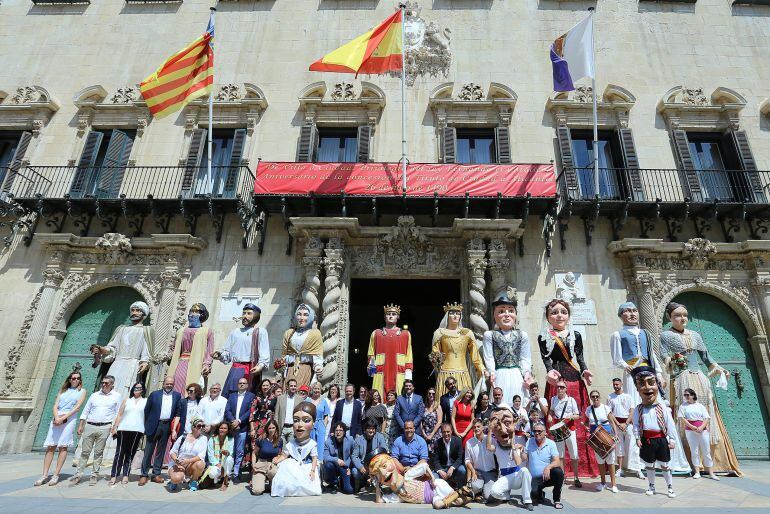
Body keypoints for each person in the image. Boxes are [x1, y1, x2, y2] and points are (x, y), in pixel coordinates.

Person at [661, 301, 741, 475]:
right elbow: (663, 356)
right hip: (681, 379)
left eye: (684, 315)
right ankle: (690, 463)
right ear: (669, 317)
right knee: (685, 414)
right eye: (677, 315)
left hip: (700, 378)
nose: (682, 318)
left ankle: (715, 463)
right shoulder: (666, 336)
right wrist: (672, 361)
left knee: (706, 412)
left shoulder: (695, 335)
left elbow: (706, 356)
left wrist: (718, 368)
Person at [539, 299, 597, 478]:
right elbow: (546, 359)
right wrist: (549, 371)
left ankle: (583, 467)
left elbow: (579, 357)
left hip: (574, 380)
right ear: (548, 317)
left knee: (577, 419)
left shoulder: (575, 334)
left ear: (568, 315)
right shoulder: (544, 335)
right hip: (556, 380)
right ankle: (557, 465)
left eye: (563, 312)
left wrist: (585, 369)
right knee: (555, 417)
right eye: (554, 312)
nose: (559, 315)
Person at [89, 302, 153, 400]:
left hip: (132, 366)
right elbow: (112, 348)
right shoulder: (122, 329)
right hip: (117, 364)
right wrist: (101, 349)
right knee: (109, 388)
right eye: (133, 310)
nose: (134, 313)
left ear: (144, 314)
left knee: (126, 392)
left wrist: (145, 362)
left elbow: (146, 352)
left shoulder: (146, 330)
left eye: (138, 311)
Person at [369, 449, 473, 508]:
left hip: (435, 486)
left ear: (392, 462)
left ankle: (463, 492)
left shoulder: (408, 476)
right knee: (440, 505)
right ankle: (464, 493)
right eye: (379, 473)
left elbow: (424, 466)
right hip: (432, 498)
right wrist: (377, 483)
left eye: (384, 466)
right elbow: (379, 500)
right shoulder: (398, 496)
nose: (384, 474)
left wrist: (432, 479)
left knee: (453, 500)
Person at [631, 366, 678, 498]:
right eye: (642, 384)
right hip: (646, 440)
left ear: (657, 385)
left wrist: (672, 439)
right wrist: (637, 438)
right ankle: (651, 486)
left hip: (661, 439)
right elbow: (635, 425)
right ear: (637, 389)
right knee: (649, 465)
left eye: (651, 383)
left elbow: (670, 424)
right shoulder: (638, 409)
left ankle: (670, 487)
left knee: (665, 465)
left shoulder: (662, 407)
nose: (647, 388)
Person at [35, 370, 87, 487]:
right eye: (73, 378)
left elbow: (77, 407)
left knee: (63, 447)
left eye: (78, 378)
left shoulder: (82, 391)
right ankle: (44, 475)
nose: (76, 380)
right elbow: (55, 405)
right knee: (51, 447)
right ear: (69, 379)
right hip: (57, 418)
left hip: (69, 419)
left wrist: (64, 417)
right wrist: (57, 417)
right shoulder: (62, 390)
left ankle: (56, 475)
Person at [483, 292, 533, 406]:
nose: (506, 315)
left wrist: (526, 373)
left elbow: (525, 357)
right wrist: (491, 372)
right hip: (500, 374)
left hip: (517, 375)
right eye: (501, 311)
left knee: (518, 404)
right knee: (501, 404)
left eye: (510, 311)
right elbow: (489, 357)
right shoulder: (489, 335)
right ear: (495, 315)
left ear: (515, 314)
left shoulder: (522, 335)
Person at [71, 375, 122, 486]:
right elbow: (86, 410)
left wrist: (114, 427)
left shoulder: (117, 396)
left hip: (105, 426)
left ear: (112, 384)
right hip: (90, 425)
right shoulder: (94, 395)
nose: (104, 384)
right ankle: (78, 474)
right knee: (85, 452)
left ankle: (94, 475)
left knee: (98, 452)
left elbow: (118, 413)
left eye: (106, 383)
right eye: (102, 382)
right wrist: (81, 424)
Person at [214, 303, 270, 398]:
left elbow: (264, 352)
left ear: (256, 316)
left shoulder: (260, 332)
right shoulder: (235, 332)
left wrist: (260, 365)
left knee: (248, 398)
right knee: (231, 397)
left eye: (249, 313)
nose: (245, 316)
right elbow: (227, 354)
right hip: (235, 369)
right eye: (244, 313)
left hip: (250, 369)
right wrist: (220, 355)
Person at [432, 303, 486, 399]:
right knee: (445, 403)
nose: (455, 315)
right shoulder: (439, 333)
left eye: (458, 313)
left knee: (464, 402)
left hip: (463, 374)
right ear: (447, 316)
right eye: (452, 313)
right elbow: (435, 356)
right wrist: (437, 362)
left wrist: (481, 368)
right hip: (445, 374)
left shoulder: (467, 333)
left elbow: (475, 355)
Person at [486, 406, 533, 510]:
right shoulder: (497, 446)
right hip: (504, 477)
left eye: (507, 423)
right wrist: (489, 430)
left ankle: (527, 500)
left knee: (525, 470)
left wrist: (513, 448)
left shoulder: (517, 446)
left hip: (516, 477)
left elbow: (518, 462)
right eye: (498, 425)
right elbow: (488, 447)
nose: (503, 429)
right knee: (494, 492)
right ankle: (505, 496)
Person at [139, 376, 183, 486]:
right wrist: (147, 424)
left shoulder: (177, 396)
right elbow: (147, 410)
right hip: (154, 425)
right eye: (167, 383)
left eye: (171, 384)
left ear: (174, 384)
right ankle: (144, 474)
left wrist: (173, 429)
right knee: (148, 451)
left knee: (161, 451)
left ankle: (156, 474)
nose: (169, 385)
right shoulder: (155, 394)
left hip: (166, 425)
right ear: (163, 384)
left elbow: (178, 412)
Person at [270, 402, 321, 497]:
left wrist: (313, 470)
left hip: (307, 465)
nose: (299, 425)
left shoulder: (312, 444)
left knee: (306, 483)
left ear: (313, 423)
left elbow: (314, 458)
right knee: (285, 469)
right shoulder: (291, 443)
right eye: (296, 420)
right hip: (294, 466)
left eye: (306, 420)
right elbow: (284, 456)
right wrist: (277, 460)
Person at [367, 304, 413, 399]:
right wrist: (371, 371)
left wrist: (408, 376)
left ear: (398, 317)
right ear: (384, 317)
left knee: (399, 400)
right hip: (380, 374)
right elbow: (371, 354)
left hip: (399, 374)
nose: (391, 315)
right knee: (378, 400)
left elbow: (409, 355)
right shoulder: (376, 333)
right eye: (388, 314)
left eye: (394, 314)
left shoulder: (405, 334)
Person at [167, 303, 214, 395]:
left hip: (197, 364)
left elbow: (210, 352)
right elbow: (173, 348)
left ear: (202, 315)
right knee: (176, 384)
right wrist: (167, 356)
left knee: (192, 388)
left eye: (196, 311)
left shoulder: (207, 331)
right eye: (191, 311)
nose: (192, 314)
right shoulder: (180, 331)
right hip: (180, 363)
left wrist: (207, 365)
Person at [110, 382, 147, 485]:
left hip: (137, 430)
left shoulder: (145, 401)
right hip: (123, 429)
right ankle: (114, 475)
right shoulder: (127, 400)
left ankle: (126, 474)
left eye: (139, 388)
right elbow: (120, 414)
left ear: (143, 389)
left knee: (130, 453)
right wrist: (115, 427)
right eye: (135, 387)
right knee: (119, 453)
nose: (137, 389)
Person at [678, 388, 719, 480]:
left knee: (706, 451)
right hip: (690, 430)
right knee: (694, 451)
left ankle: (711, 473)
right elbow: (682, 418)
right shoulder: (683, 406)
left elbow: (706, 418)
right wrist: (692, 427)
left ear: (693, 395)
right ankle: (697, 472)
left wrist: (701, 427)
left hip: (702, 430)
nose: (686, 397)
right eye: (685, 395)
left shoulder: (700, 406)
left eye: (688, 395)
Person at [280, 303, 323, 389]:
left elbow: (317, 355)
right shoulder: (289, 333)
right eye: (299, 314)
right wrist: (281, 364)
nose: (301, 318)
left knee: (301, 394)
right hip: (290, 369)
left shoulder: (315, 334)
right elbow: (284, 354)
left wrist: (318, 366)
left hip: (305, 369)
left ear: (310, 317)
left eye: (305, 315)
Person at [548, 380, 581, 487]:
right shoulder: (553, 399)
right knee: (560, 455)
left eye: (562, 387)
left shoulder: (571, 400)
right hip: (558, 430)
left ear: (566, 389)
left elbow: (577, 415)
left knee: (574, 454)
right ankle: (562, 476)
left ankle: (576, 477)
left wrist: (570, 417)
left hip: (570, 428)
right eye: (558, 387)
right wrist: (549, 415)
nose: (559, 389)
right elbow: (552, 411)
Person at [525, 421, 564, 509]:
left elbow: (557, 461)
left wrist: (548, 467)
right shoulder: (529, 441)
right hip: (534, 478)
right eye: (534, 431)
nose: (536, 433)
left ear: (545, 432)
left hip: (547, 476)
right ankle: (539, 494)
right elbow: (524, 457)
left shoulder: (551, 443)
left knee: (559, 472)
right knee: (534, 495)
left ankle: (557, 500)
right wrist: (519, 450)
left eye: (539, 431)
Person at [585, 390, 619, 493]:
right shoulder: (588, 409)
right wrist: (587, 427)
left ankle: (613, 484)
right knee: (600, 461)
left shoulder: (605, 407)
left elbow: (612, 422)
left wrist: (615, 434)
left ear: (599, 397)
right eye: (593, 396)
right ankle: (603, 483)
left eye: (597, 396)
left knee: (610, 460)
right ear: (591, 398)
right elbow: (587, 422)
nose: (595, 398)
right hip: (595, 437)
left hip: (606, 435)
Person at [607, 377, 640, 478]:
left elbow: (632, 411)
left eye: (617, 384)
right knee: (619, 447)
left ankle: (637, 469)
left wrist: (626, 423)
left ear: (621, 384)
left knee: (633, 446)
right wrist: (617, 424)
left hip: (628, 424)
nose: (616, 386)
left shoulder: (628, 396)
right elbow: (610, 412)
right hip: (616, 425)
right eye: (614, 384)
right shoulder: (610, 397)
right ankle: (620, 469)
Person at [225, 377, 256, 482]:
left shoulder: (251, 396)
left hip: (242, 428)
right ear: (237, 385)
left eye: (244, 383)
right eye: (240, 383)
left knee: (239, 451)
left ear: (247, 385)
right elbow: (227, 410)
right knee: (230, 450)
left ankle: (236, 473)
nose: (242, 385)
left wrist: (239, 421)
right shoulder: (232, 396)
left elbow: (249, 411)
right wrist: (233, 421)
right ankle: (227, 473)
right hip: (232, 428)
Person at [168, 416, 208, 491]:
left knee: (200, 464)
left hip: (191, 464)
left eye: (203, 426)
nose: (201, 428)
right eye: (199, 426)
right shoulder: (183, 437)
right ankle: (174, 481)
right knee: (176, 479)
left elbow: (201, 455)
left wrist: (187, 461)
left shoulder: (203, 438)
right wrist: (176, 460)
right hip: (178, 463)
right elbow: (172, 452)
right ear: (193, 427)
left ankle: (193, 481)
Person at [351, 419, 387, 492]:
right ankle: (363, 482)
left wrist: (375, 468)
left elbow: (383, 451)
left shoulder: (380, 437)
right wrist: (360, 467)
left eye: (373, 429)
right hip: (364, 465)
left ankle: (377, 484)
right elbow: (354, 456)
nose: (371, 431)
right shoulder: (359, 440)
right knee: (355, 471)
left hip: (376, 464)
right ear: (365, 429)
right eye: (369, 429)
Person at [464, 419, 496, 501]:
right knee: (474, 487)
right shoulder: (469, 442)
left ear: (482, 427)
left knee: (489, 497)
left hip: (490, 472)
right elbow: (467, 460)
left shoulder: (490, 439)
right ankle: (479, 490)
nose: (476, 429)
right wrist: (473, 471)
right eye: (474, 427)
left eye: (478, 426)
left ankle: (483, 491)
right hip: (478, 473)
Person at [251, 419, 282, 495]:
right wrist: (253, 464)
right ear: (267, 429)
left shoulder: (279, 440)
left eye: (273, 428)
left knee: (275, 489)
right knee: (257, 491)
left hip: (272, 465)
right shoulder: (261, 439)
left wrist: (276, 459)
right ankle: (259, 480)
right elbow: (254, 453)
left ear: (276, 428)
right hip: (261, 463)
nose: (271, 430)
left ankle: (271, 482)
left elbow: (280, 454)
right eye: (270, 428)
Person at [323, 421, 355, 494]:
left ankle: (342, 481)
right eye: (336, 430)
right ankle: (334, 483)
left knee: (349, 491)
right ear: (334, 432)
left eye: (340, 430)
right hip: (334, 466)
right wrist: (336, 459)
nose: (338, 432)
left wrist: (350, 467)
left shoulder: (350, 440)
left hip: (345, 467)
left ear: (344, 432)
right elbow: (325, 457)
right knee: (328, 465)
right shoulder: (328, 442)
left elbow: (354, 455)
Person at [201, 421, 234, 490]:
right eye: (221, 428)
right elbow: (210, 455)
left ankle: (225, 482)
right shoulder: (212, 439)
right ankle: (214, 480)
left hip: (225, 462)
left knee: (230, 459)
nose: (222, 430)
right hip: (216, 463)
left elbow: (230, 452)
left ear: (228, 430)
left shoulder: (230, 439)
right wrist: (217, 464)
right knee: (212, 473)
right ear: (218, 429)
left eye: (225, 428)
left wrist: (226, 452)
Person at [431, 423, 466, 488]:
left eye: (448, 432)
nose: (446, 434)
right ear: (441, 433)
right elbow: (436, 460)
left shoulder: (458, 441)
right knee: (433, 477)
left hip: (454, 468)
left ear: (451, 431)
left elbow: (460, 458)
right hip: (443, 468)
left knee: (462, 470)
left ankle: (460, 488)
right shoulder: (437, 443)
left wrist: (452, 467)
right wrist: (439, 470)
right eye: (444, 432)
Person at [305, 382, 330, 453]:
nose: (316, 390)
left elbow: (326, 415)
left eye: (318, 389)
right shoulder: (307, 400)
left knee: (320, 444)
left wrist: (324, 425)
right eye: (315, 388)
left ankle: (319, 461)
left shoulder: (324, 401)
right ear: (312, 389)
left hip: (320, 424)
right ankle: (309, 461)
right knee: (309, 442)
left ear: (320, 390)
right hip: (309, 424)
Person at [274, 378, 299, 443]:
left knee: (291, 450)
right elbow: (276, 414)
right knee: (282, 449)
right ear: (287, 387)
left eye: (295, 386)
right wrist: (276, 428)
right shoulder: (280, 398)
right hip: (282, 427)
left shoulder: (300, 399)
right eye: (291, 386)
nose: (293, 387)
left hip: (292, 428)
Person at [420, 387, 443, 454]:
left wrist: (431, 435)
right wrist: (424, 434)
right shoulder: (423, 406)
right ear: (427, 395)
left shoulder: (438, 406)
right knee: (426, 454)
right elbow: (421, 421)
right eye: (429, 393)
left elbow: (439, 422)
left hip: (435, 434)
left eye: (433, 393)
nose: (431, 395)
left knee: (436, 454)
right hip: (425, 434)